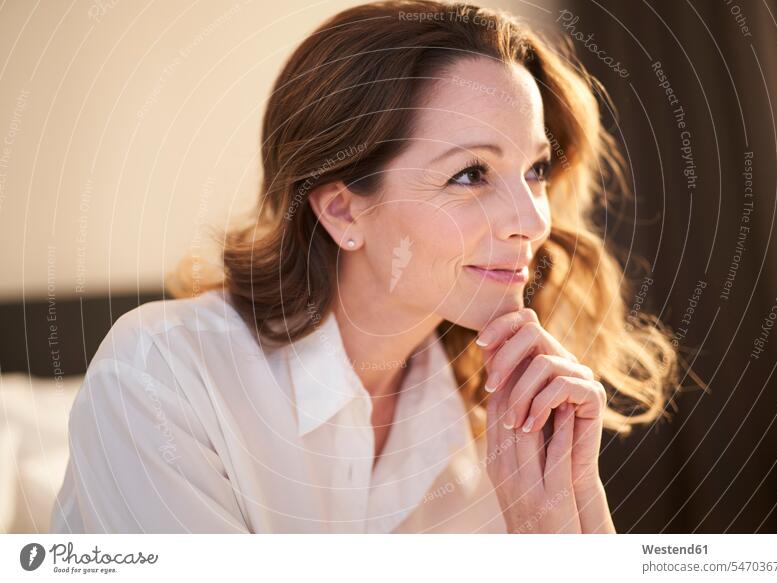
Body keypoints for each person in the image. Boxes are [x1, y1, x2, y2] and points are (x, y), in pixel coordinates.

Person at [50, 0, 678, 534]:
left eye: (534, 170)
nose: (533, 221)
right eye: (470, 174)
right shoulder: (162, 378)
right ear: (343, 212)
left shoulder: (499, 428)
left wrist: (570, 528)